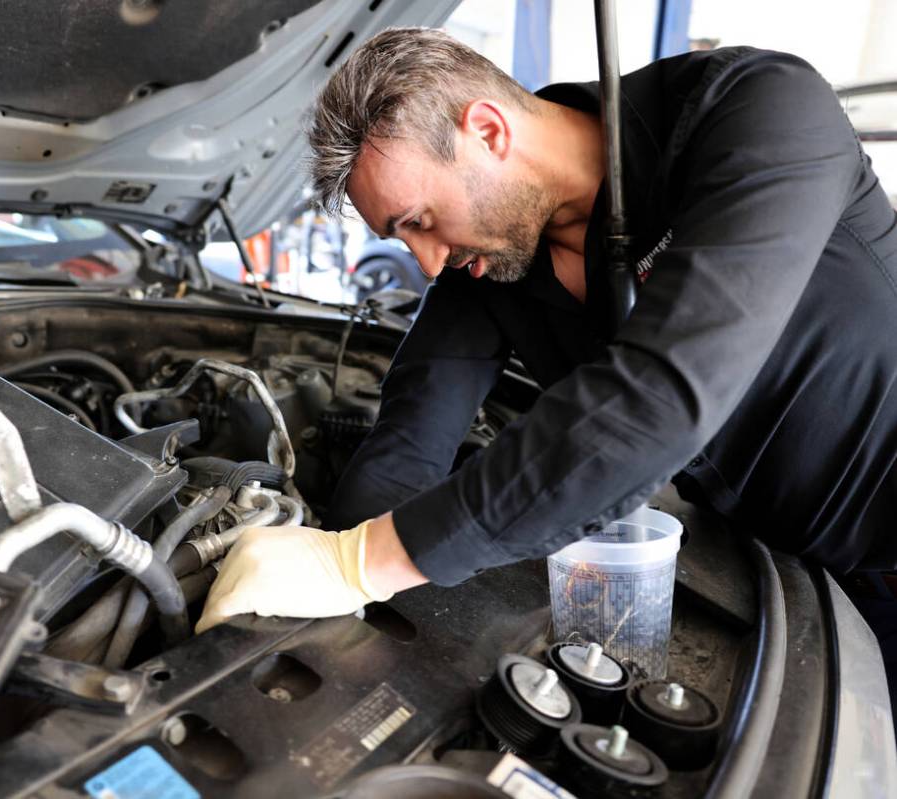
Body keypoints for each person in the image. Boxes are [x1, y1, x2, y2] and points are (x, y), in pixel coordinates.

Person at [194, 28, 897, 695]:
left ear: (488, 132)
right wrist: (331, 585)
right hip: (787, 579)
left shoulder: (756, 111)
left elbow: (655, 402)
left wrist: (357, 564)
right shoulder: (496, 261)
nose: (426, 260)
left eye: (418, 220)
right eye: (399, 236)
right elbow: (409, 440)